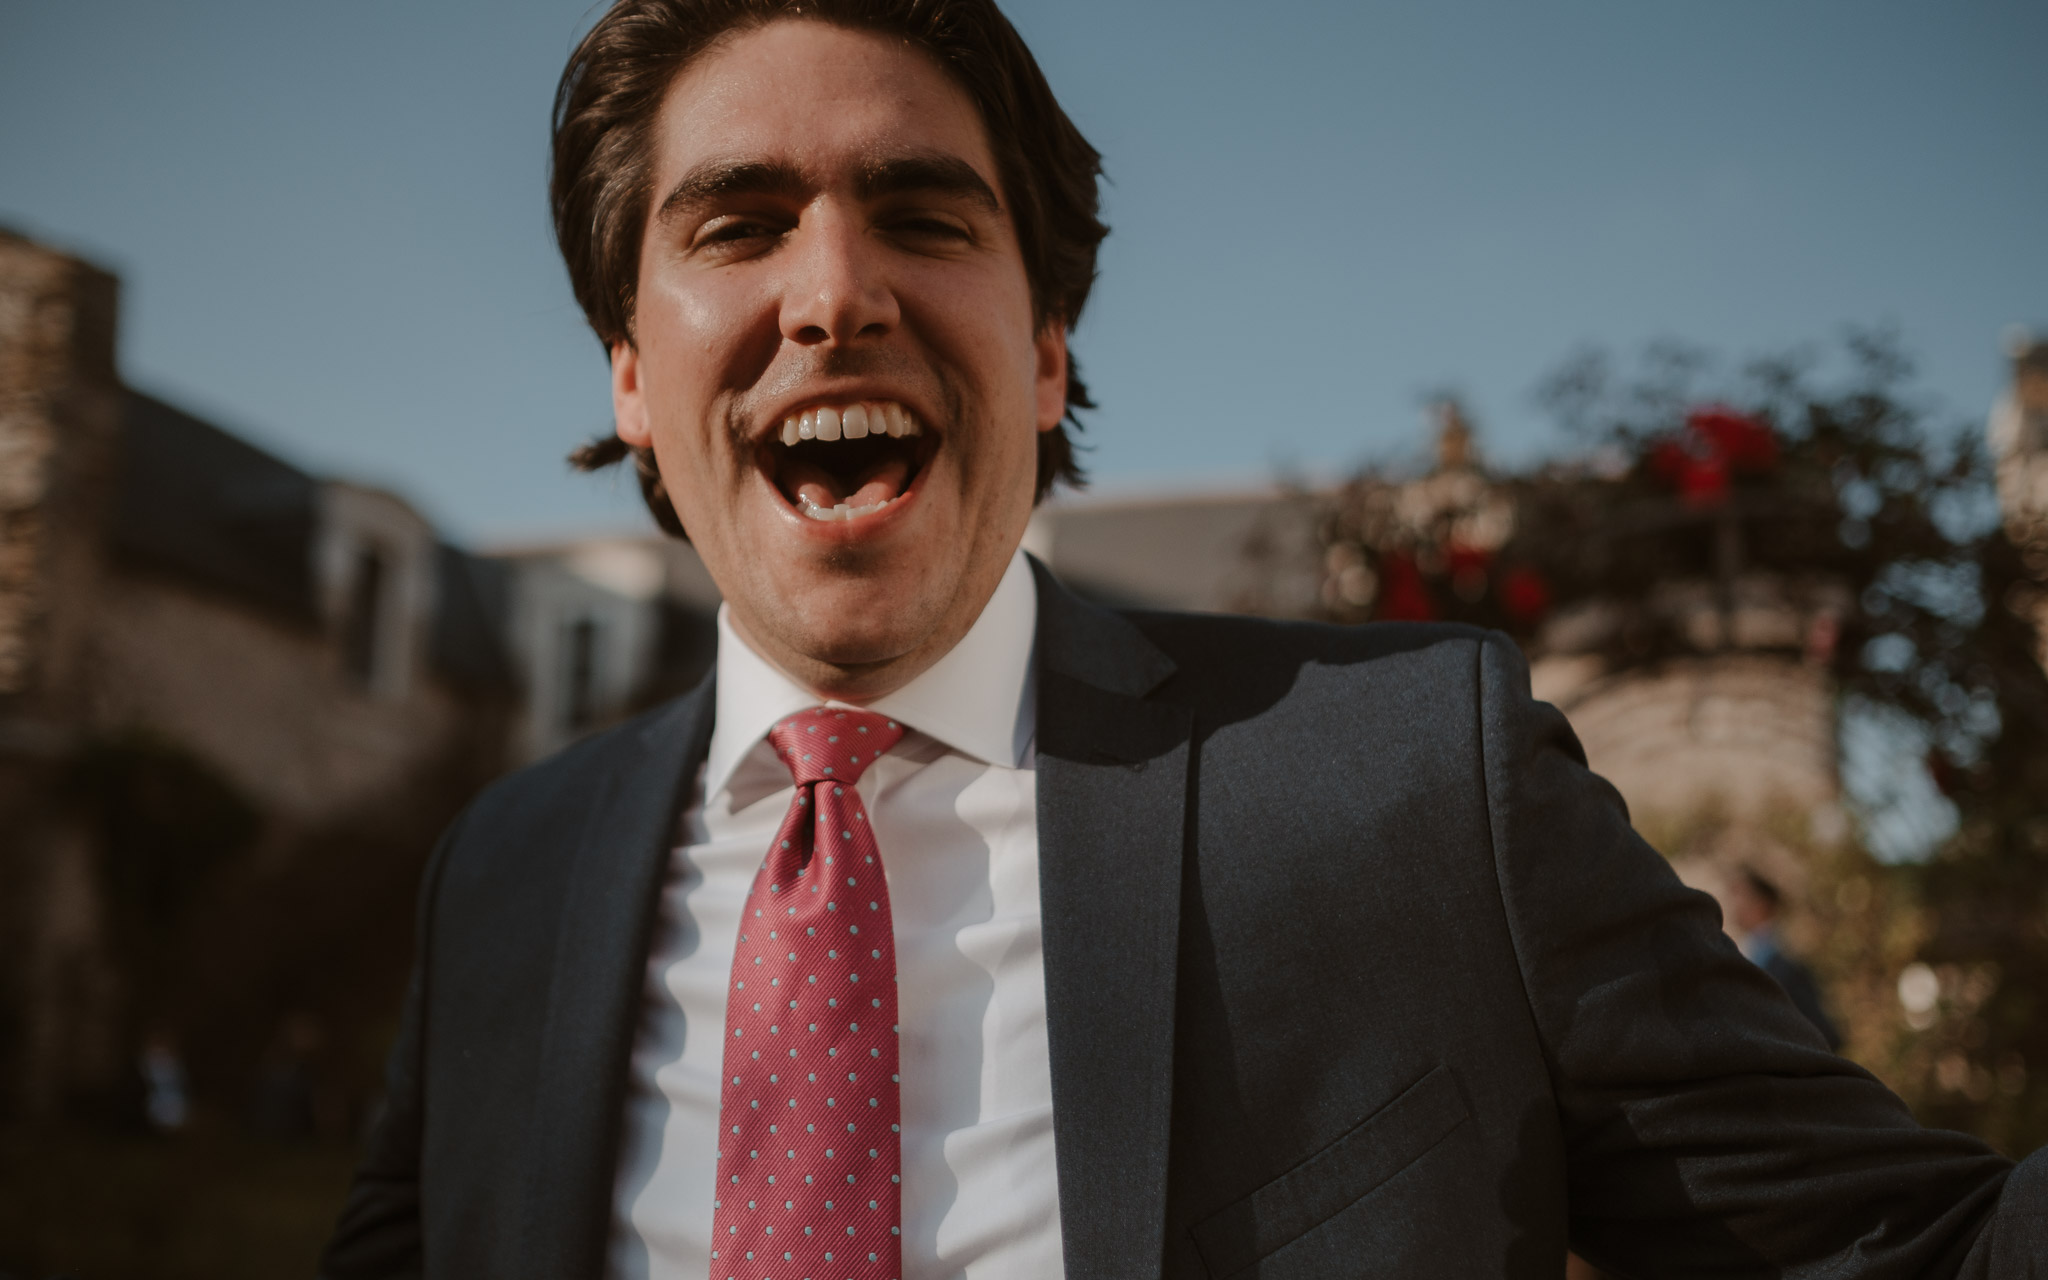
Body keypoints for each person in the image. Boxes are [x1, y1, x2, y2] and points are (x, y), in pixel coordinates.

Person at [319, 2, 2048, 1276]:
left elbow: (1921, 1251)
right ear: (626, 369)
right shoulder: (506, 879)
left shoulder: (1413, 785)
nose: (833, 292)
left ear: (1048, 348)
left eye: (923, 216)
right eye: (737, 223)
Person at [1725, 865, 1843, 1051]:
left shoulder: (1785, 964)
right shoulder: (1748, 953)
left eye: (1741, 896)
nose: (1734, 904)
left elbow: (1823, 1033)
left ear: (1761, 903)